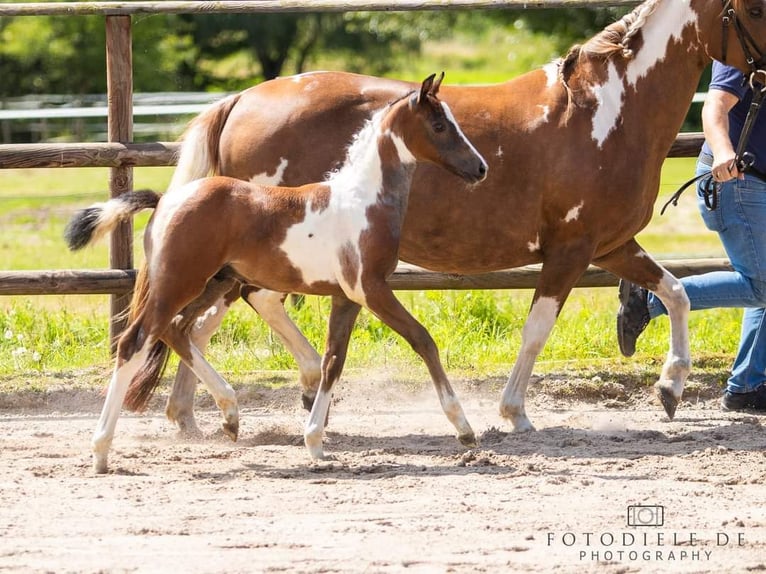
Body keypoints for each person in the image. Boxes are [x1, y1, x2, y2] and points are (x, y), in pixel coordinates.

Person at [617, 60, 766, 411]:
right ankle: (649, 298)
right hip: (736, 180)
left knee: (763, 278)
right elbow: (715, 105)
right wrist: (724, 149)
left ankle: (747, 386)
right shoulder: (747, 39)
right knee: (762, 284)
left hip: (755, 180)